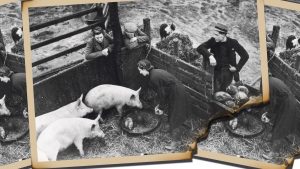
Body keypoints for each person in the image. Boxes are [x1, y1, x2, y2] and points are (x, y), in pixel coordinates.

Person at [137, 59, 190, 150]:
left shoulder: (153, 78)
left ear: (145, 69)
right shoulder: (155, 72)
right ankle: (182, 127)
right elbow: (163, 92)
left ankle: (176, 142)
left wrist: (160, 107)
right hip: (175, 91)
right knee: (174, 112)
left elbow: (162, 94)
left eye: (140, 70)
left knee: (175, 116)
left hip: (177, 93)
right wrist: (160, 105)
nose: (140, 73)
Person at [197, 23, 249, 92]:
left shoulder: (233, 43)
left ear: (223, 35)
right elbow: (200, 48)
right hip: (216, 72)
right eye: (214, 34)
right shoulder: (213, 41)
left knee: (225, 92)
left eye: (216, 35)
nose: (214, 36)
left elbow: (245, 56)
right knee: (214, 92)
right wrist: (210, 56)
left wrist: (237, 68)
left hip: (228, 74)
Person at [262, 76, 299, 159]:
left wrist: (268, 115)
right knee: (278, 122)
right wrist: (269, 113)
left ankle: (274, 152)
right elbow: (275, 99)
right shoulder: (271, 80)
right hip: (286, 102)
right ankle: (271, 138)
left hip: (288, 105)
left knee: (281, 127)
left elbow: (273, 102)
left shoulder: (267, 84)